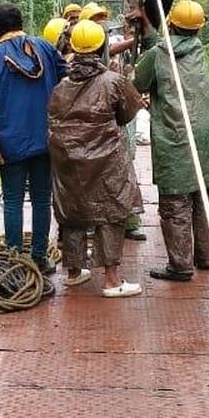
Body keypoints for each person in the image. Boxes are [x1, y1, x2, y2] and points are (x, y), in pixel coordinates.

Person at [48, 20, 144, 298]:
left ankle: (74, 272)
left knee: (73, 212)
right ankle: (111, 280)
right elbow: (127, 113)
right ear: (103, 46)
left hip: (68, 160)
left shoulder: (60, 86)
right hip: (106, 160)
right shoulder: (113, 82)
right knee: (111, 212)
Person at [132, 0, 209, 282]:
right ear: (198, 30)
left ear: (170, 23)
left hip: (176, 136)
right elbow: (168, 48)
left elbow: (139, 83)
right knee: (204, 198)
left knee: (176, 204)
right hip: (207, 137)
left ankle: (181, 266)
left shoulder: (159, 54)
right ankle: (207, 257)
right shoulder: (198, 51)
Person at [0, 3, 67, 275]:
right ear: (21, 22)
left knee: (13, 200)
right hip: (45, 137)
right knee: (42, 198)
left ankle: (14, 259)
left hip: (9, 142)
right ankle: (40, 256)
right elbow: (65, 78)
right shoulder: (45, 49)